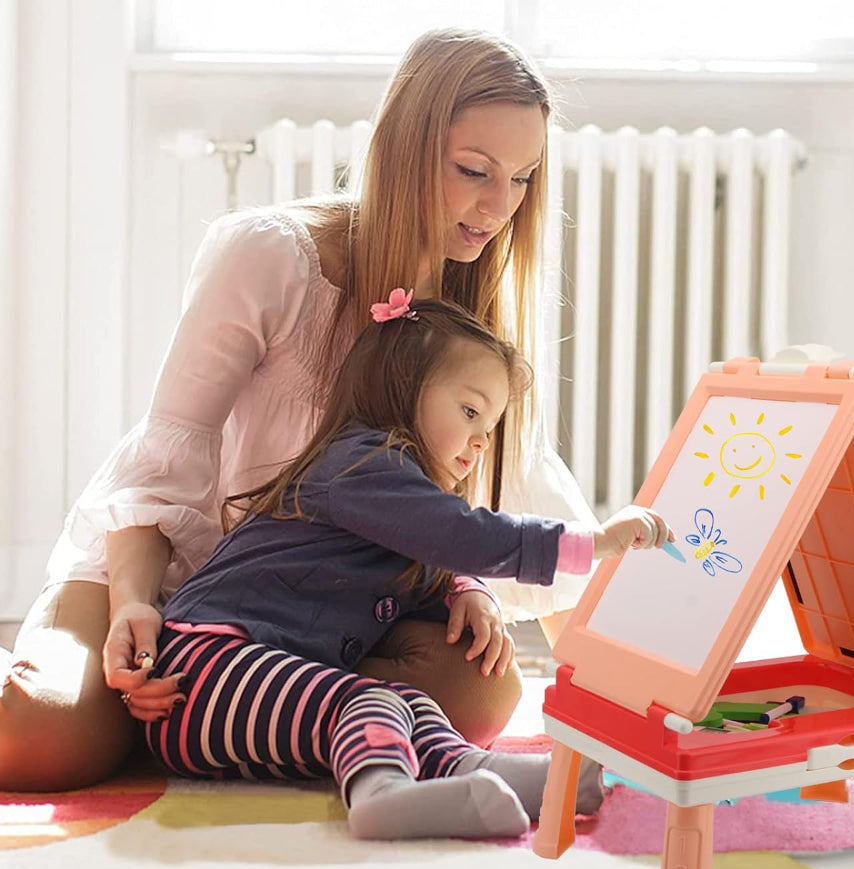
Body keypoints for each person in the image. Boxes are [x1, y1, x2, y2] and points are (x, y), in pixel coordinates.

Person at [0, 28, 601, 792]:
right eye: (474, 171)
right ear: (404, 148)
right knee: (40, 740)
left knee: (483, 691)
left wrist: (474, 591)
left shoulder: (464, 309)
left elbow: (476, 495)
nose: (498, 206)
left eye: (522, 178)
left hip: (312, 604)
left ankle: (209, 718)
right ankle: (181, 708)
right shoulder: (270, 255)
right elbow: (163, 460)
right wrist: (131, 606)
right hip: (174, 571)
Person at [144, 293, 671, 839]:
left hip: (245, 685)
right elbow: (463, 535)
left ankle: (496, 776)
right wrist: (593, 542)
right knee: (368, 699)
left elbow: (431, 564)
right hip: (201, 674)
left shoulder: (394, 499)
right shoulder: (363, 464)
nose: (479, 441)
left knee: (410, 703)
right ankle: (381, 795)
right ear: (405, 389)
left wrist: (468, 591)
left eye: (489, 427)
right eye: (470, 412)